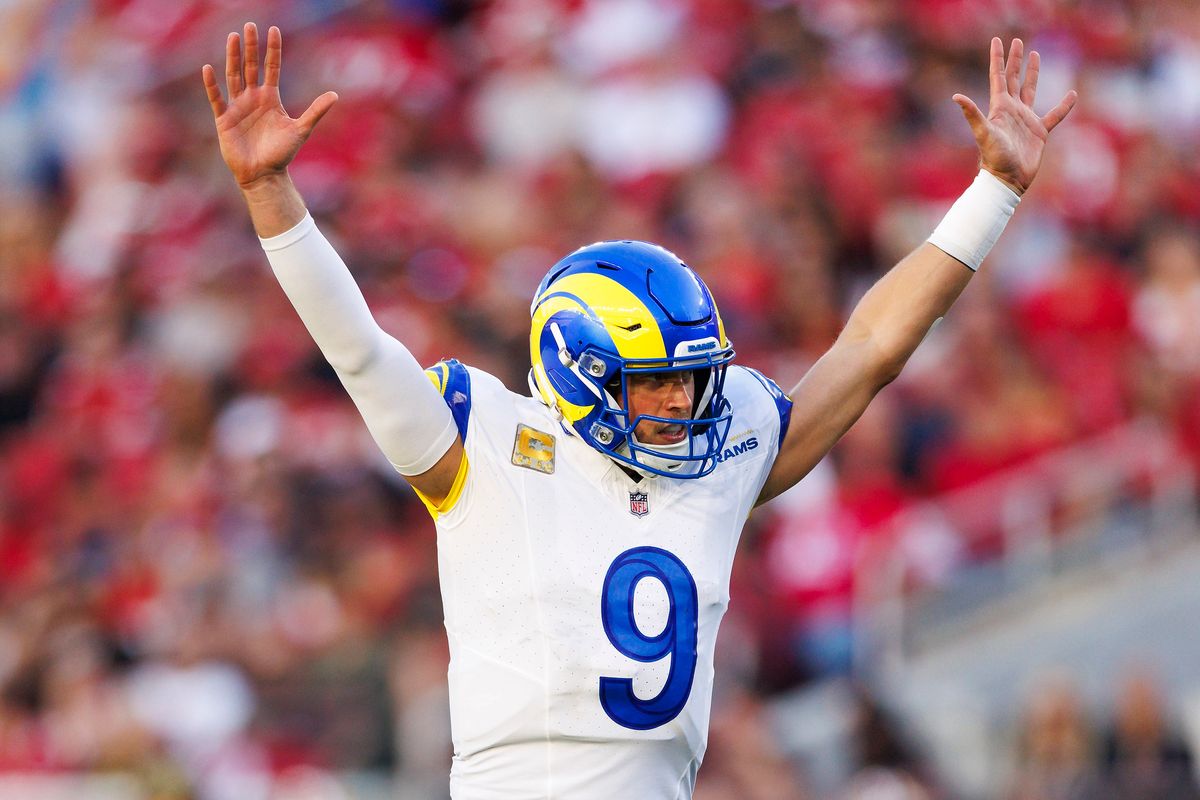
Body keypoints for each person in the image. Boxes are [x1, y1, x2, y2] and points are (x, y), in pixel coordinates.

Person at [202, 23, 1076, 799]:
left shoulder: (722, 453)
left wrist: (992, 192)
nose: (678, 401)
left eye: (688, 379)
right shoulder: (484, 447)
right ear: (578, 371)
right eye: (651, 380)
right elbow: (358, 347)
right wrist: (271, 196)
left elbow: (869, 350)